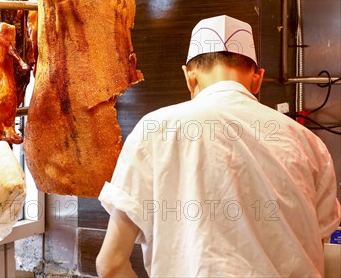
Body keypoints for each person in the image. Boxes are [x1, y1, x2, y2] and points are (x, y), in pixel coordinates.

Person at [96, 15, 341, 277]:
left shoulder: (153, 131)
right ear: (257, 79)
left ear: (189, 78)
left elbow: (110, 265)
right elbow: (322, 248)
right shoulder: (310, 144)